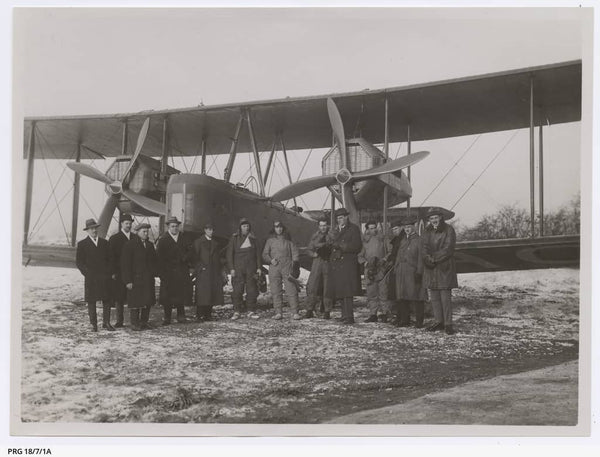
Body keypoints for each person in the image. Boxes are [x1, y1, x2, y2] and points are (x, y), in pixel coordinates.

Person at [422, 207, 459, 335]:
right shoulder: (427, 231)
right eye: (431, 218)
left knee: (445, 298)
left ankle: (448, 324)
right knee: (435, 297)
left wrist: (433, 258)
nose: (434, 220)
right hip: (431, 268)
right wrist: (427, 258)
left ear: (440, 218)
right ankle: (438, 321)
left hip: (444, 267)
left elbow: (448, 248)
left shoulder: (449, 230)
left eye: (436, 218)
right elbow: (424, 246)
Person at [75, 218, 113, 332]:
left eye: (95, 228)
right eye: (91, 229)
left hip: (104, 277)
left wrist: (108, 272)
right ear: (87, 231)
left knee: (107, 300)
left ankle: (106, 322)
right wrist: (87, 273)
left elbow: (110, 259)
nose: (94, 231)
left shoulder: (104, 243)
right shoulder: (82, 244)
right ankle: (94, 324)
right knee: (91, 301)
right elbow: (79, 262)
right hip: (91, 278)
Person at [327, 208, 363, 325]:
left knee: (348, 291)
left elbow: (357, 246)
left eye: (341, 217)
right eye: (338, 218)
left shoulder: (354, 229)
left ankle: (349, 316)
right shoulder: (336, 230)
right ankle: (344, 315)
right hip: (337, 264)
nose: (339, 220)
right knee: (340, 290)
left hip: (348, 264)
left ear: (347, 217)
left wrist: (341, 246)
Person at [120, 223, 157, 331]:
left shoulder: (149, 245)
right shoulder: (130, 245)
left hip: (148, 279)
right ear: (137, 232)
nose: (146, 233)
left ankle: (144, 322)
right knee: (135, 301)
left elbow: (154, 261)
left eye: (147, 231)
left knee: (147, 300)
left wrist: (154, 273)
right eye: (143, 232)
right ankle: (134, 323)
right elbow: (125, 264)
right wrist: (128, 281)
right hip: (135, 279)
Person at [157, 216, 193, 325]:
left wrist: (186, 258)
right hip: (168, 273)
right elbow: (159, 258)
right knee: (167, 296)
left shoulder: (184, 238)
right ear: (168, 227)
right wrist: (161, 273)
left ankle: (181, 315)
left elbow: (191, 252)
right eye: (172, 226)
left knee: (180, 294)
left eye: (176, 226)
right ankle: (167, 317)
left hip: (181, 272)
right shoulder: (163, 240)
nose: (175, 228)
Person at [262, 221, 301, 320]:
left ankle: (295, 312)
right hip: (274, 267)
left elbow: (295, 253)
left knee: (291, 289)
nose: (279, 229)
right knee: (276, 290)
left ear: (283, 228)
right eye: (276, 227)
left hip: (287, 266)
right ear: (274, 229)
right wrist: (270, 260)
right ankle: (278, 312)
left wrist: (295, 266)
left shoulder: (288, 240)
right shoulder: (270, 241)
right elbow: (265, 254)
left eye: (280, 227)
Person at [226, 217, 262, 320]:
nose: (246, 228)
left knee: (252, 289)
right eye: (244, 226)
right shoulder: (234, 238)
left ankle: (251, 310)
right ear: (240, 227)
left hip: (251, 268)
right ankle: (237, 311)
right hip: (238, 268)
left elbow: (258, 255)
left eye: (247, 226)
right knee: (237, 290)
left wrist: (259, 267)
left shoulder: (253, 239)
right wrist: (231, 268)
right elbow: (229, 254)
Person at [394, 215, 427, 328]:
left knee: (417, 296)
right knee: (402, 296)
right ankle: (404, 320)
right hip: (402, 272)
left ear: (413, 227)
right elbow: (398, 256)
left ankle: (419, 321)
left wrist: (419, 272)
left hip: (413, 271)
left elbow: (421, 258)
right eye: (405, 227)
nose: (407, 229)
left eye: (409, 226)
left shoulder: (419, 240)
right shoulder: (403, 240)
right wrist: (396, 268)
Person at [358, 220, 392, 323]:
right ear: (367, 229)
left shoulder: (383, 239)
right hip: (370, 270)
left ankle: (385, 313)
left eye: (374, 228)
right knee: (371, 292)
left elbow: (390, 251)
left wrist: (384, 260)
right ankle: (373, 314)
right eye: (370, 228)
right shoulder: (365, 241)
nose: (373, 230)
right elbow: (360, 255)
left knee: (383, 292)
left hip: (381, 268)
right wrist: (365, 263)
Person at [192, 222, 226, 322]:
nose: (211, 231)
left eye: (212, 230)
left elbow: (218, 258)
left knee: (211, 293)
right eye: (209, 229)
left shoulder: (215, 243)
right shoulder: (198, 242)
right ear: (205, 230)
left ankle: (208, 314)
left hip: (213, 271)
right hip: (203, 271)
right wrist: (200, 268)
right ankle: (199, 315)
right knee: (202, 294)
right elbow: (195, 258)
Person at [107, 214, 137, 328]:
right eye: (126, 223)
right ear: (121, 224)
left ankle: (133, 320)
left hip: (132, 272)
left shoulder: (135, 237)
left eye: (130, 223)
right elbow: (111, 257)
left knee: (132, 295)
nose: (128, 225)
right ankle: (120, 320)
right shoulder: (114, 239)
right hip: (119, 272)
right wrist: (113, 272)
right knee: (119, 296)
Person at [304, 218, 333, 319]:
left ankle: (327, 310)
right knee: (312, 285)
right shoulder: (315, 237)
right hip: (317, 262)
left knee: (328, 287)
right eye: (321, 226)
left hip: (328, 262)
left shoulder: (332, 236)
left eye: (324, 225)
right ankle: (309, 309)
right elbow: (309, 249)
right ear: (318, 226)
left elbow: (336, 248)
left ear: (327, 225)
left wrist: (330, 252)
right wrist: (314, 254)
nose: (323, 228)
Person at [386, 220, 405, 324]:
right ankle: (399, 316)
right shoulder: (397, 239)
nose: (394, 231)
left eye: (396, 228)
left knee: (400, 293)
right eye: (393, 229)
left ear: (401, 227)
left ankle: (402, 317)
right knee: (396, 293)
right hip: (395, 267)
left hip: (400, 268)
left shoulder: (402, 239)